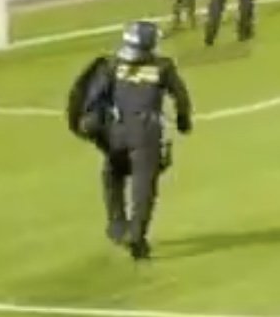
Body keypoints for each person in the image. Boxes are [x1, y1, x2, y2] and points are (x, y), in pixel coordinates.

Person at [70, 21, 194, 260]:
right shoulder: (162, 67)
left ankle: (117, 224)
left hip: (117, 132)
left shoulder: (112, 66)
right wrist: (183, 122)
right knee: (143, 187)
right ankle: (137, 235)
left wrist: (91, 126)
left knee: (111, 175)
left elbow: (92, 99)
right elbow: (181, 97)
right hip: (147, 134)